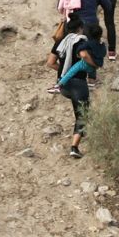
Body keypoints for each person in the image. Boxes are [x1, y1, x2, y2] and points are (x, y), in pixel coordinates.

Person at [48, 22, 101, 158]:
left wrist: (63, 72)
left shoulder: (62, 42)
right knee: (82, 115)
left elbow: (50, 63)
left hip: (64, 85)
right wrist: (94, 65)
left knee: (80, 112)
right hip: (78, 84)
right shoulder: (81, 42)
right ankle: (74, 147)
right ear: (80, 29)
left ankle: (83, 133)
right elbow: (83, 54)